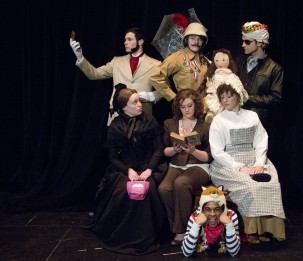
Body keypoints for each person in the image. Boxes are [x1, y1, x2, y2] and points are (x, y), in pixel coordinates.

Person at [87, 84, 165, 255]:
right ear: (124, 107)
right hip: (125, 168)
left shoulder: (149, 120)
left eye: (139, 101)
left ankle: (145, 237)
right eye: (135, 102)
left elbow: (159, 149)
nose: (140, 105)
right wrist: (128, 170)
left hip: (148, 166)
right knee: (122, 191)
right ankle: (125, 235)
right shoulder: (115, 125)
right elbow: (113, 157)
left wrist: (149, 170)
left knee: (147, 190)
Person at [209, 83, 286, 244]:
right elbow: (217, 151)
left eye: (229, 96)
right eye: (222, 97)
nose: (225, 100)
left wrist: (259, 162)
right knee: (250, 186)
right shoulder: (219, 119)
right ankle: (251, 231)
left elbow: (261, 140)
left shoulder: (252, 116)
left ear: (238, 96)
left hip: (254, 158)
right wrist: (240, 167)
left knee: (271, 183)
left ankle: (268, 229)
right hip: (229, 162)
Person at [70, 27, 162, 125]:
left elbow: (165, 89)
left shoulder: (156, 64)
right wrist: (79, 56)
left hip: (143, 116)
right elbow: (94, 74)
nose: (125, 42)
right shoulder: (116, 61)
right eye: (125, 40)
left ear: (140, 42)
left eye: (129, 39)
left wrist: (151, 96)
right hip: (119, 116)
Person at [158, 89, 212, 246]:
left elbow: (209, 157)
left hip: (198, 166)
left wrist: (193, 150)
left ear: (196, 105)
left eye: (190, 105)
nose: (187, 110)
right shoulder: (170, 123)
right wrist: (174, 149)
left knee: (181, 183)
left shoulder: (205, 126)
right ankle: (179, 225)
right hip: (176, 164)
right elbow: (165, 151)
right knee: (164, 188)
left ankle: (181, 232)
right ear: (178, 108)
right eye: (183, 107)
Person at [236, 21, 284, 162]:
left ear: (259, 43)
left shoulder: (274, 68)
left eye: (247, 41)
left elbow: (276, 98)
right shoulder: (239, 61)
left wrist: (247, 98)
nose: (243, 45)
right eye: (243, 41)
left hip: (259, 122)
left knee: (255, 160)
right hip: (236, 119)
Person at [150, 22, 209, 102]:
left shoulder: (205, 60)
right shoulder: (177, 57)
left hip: (203, 107)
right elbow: (155, 77)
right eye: (192, 38)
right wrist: (174, 97)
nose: (196, 42)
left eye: (200, 39)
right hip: (185, 107)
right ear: (186, 40)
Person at [181, 185, 240, 257]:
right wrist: (196, 225)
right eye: (207, 209)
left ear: (223, 209)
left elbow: (234, 252)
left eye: (217, 209)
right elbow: (186, 253)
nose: (212, 214)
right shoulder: (196, 217)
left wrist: (229, 225)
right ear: (202, 210)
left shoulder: (231, 215)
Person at [204, 48, 248, 123]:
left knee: (229, 104)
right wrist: (211, 89)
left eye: (223, 60)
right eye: (217, 61)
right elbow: (211, 85)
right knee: (212, 103)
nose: (220, 63)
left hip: (229, 94)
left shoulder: (232, 75)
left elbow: (237, 84)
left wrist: (235, 90)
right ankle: (211, 114)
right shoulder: (214, 75)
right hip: (216, 94)